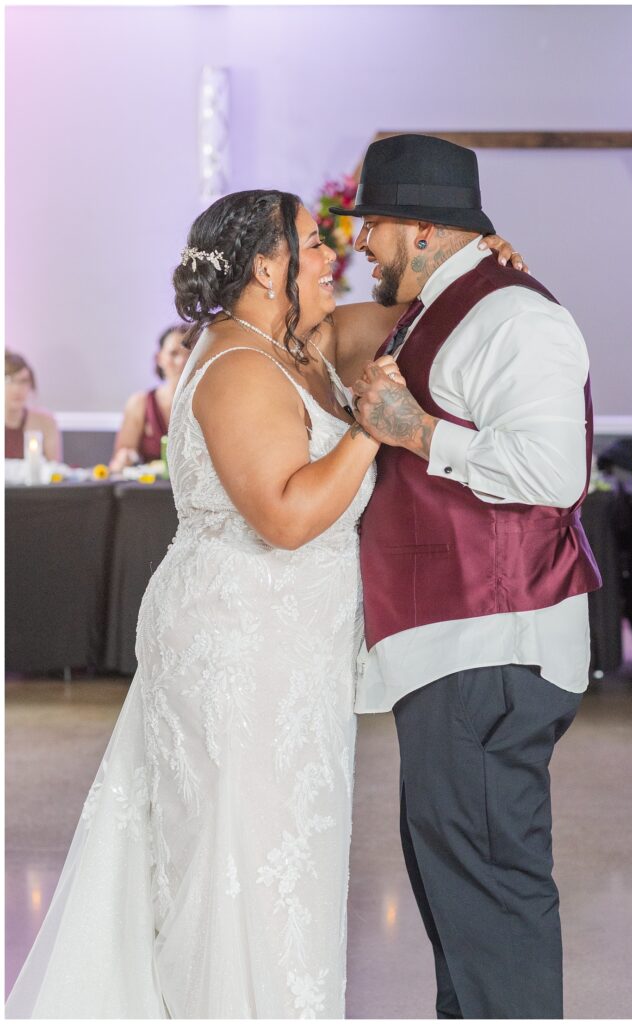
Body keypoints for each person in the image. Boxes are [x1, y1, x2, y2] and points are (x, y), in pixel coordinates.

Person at [6, 185, 520, 1019]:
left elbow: (419, 318)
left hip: (295, 654)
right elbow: (284, 517)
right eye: (315, 245)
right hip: (237, 647)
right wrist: (370, 431)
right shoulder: (238, 366)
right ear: (267, 264)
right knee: (236, 861)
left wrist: (483, 268)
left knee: (288, 857)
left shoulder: (304, 345)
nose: (333, 258)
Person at [330, 133, 602, 1020]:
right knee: (460, 896)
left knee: (490, 895)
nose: (361, 243)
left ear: (420, 229)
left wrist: (415, 432)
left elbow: (554, 474)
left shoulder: (517, 317)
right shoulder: (436, 305)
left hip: (494, 644)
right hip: (454, 647)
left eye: (372, 224)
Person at [110, 325, 189, 471]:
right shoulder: (140, 403)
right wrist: (125, 458)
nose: (182, 362)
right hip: (150, 490)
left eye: (190, 354)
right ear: (159, 358)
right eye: (173, 354)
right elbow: (118, 463)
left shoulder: (210, 404)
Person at [5, 351, 62, 461]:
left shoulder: (45, 423)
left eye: (23, 381)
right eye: (9, 381)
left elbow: (54, 470)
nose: (17, 389)